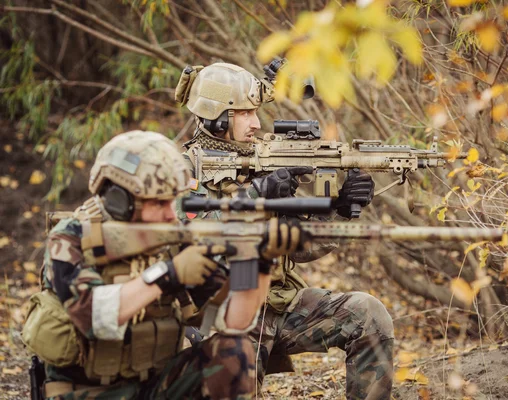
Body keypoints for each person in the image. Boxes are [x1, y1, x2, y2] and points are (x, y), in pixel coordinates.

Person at [21, 130, 301, 399]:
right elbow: (93, 316)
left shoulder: (171, 237)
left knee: (234, 351)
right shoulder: (73, 236)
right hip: (85, 390)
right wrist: (169, 274)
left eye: (173, 201)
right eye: (160, 203)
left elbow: (234, 319)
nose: (171, 214)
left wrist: (259, 261)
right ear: (121, 200)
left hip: (152, 384)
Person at [174, 63, 394, 400]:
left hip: (276, 306)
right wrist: (256, 195)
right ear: (216, 117)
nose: (256, 123)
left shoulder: (264, 161)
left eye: (256, 112)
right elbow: (190, 240)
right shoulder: (182, 170)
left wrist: (339, 210)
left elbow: (300, 250)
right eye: (244, 113)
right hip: (218, 314)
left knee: (369, 315)